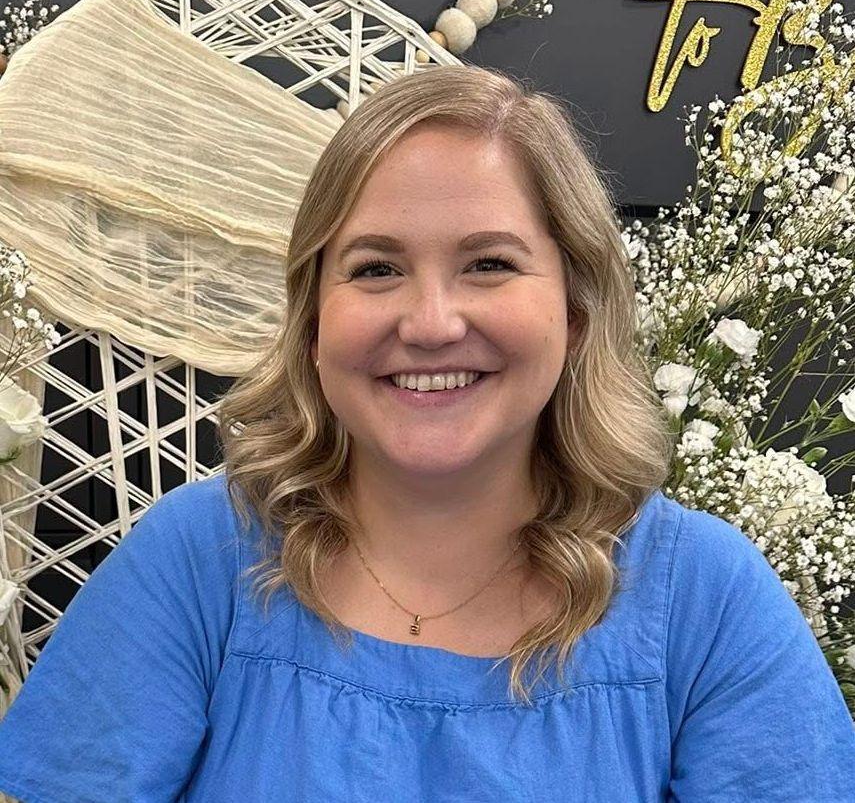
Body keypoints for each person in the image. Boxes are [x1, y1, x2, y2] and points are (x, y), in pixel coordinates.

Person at [0, 63, 852, 802]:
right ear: (313, 318)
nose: (432, 322)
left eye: (488, 264)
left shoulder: (703, 600)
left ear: (576, 309)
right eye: (375, 268)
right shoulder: (198, 563)